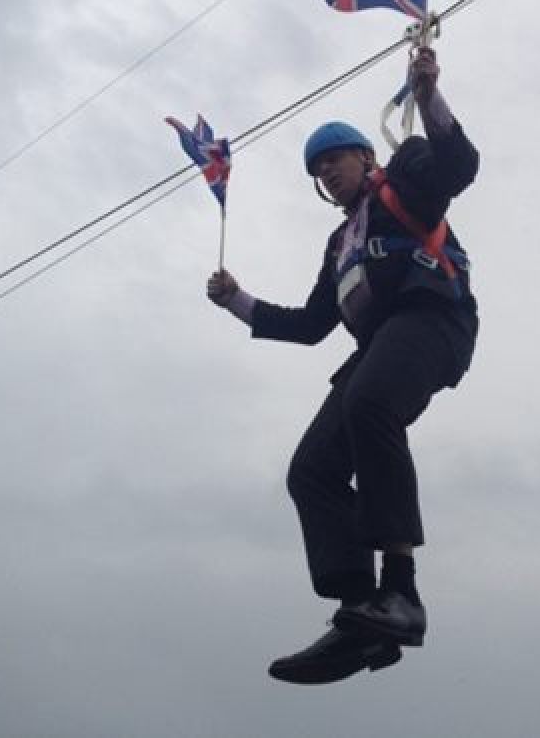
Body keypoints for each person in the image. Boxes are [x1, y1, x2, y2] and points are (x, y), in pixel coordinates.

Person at [206, 46, 479, 685]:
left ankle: (401, 593)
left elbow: (459, 165)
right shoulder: (341, 243)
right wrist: (235, 300)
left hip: (434, 320)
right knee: (313, 470)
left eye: (336, 158)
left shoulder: (404, 173)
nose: (327, 171)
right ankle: (361, 608)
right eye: (317, 169)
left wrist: (429, 95)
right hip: (379, 345)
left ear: (366, 156)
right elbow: (309, 327)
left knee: (370, 406)